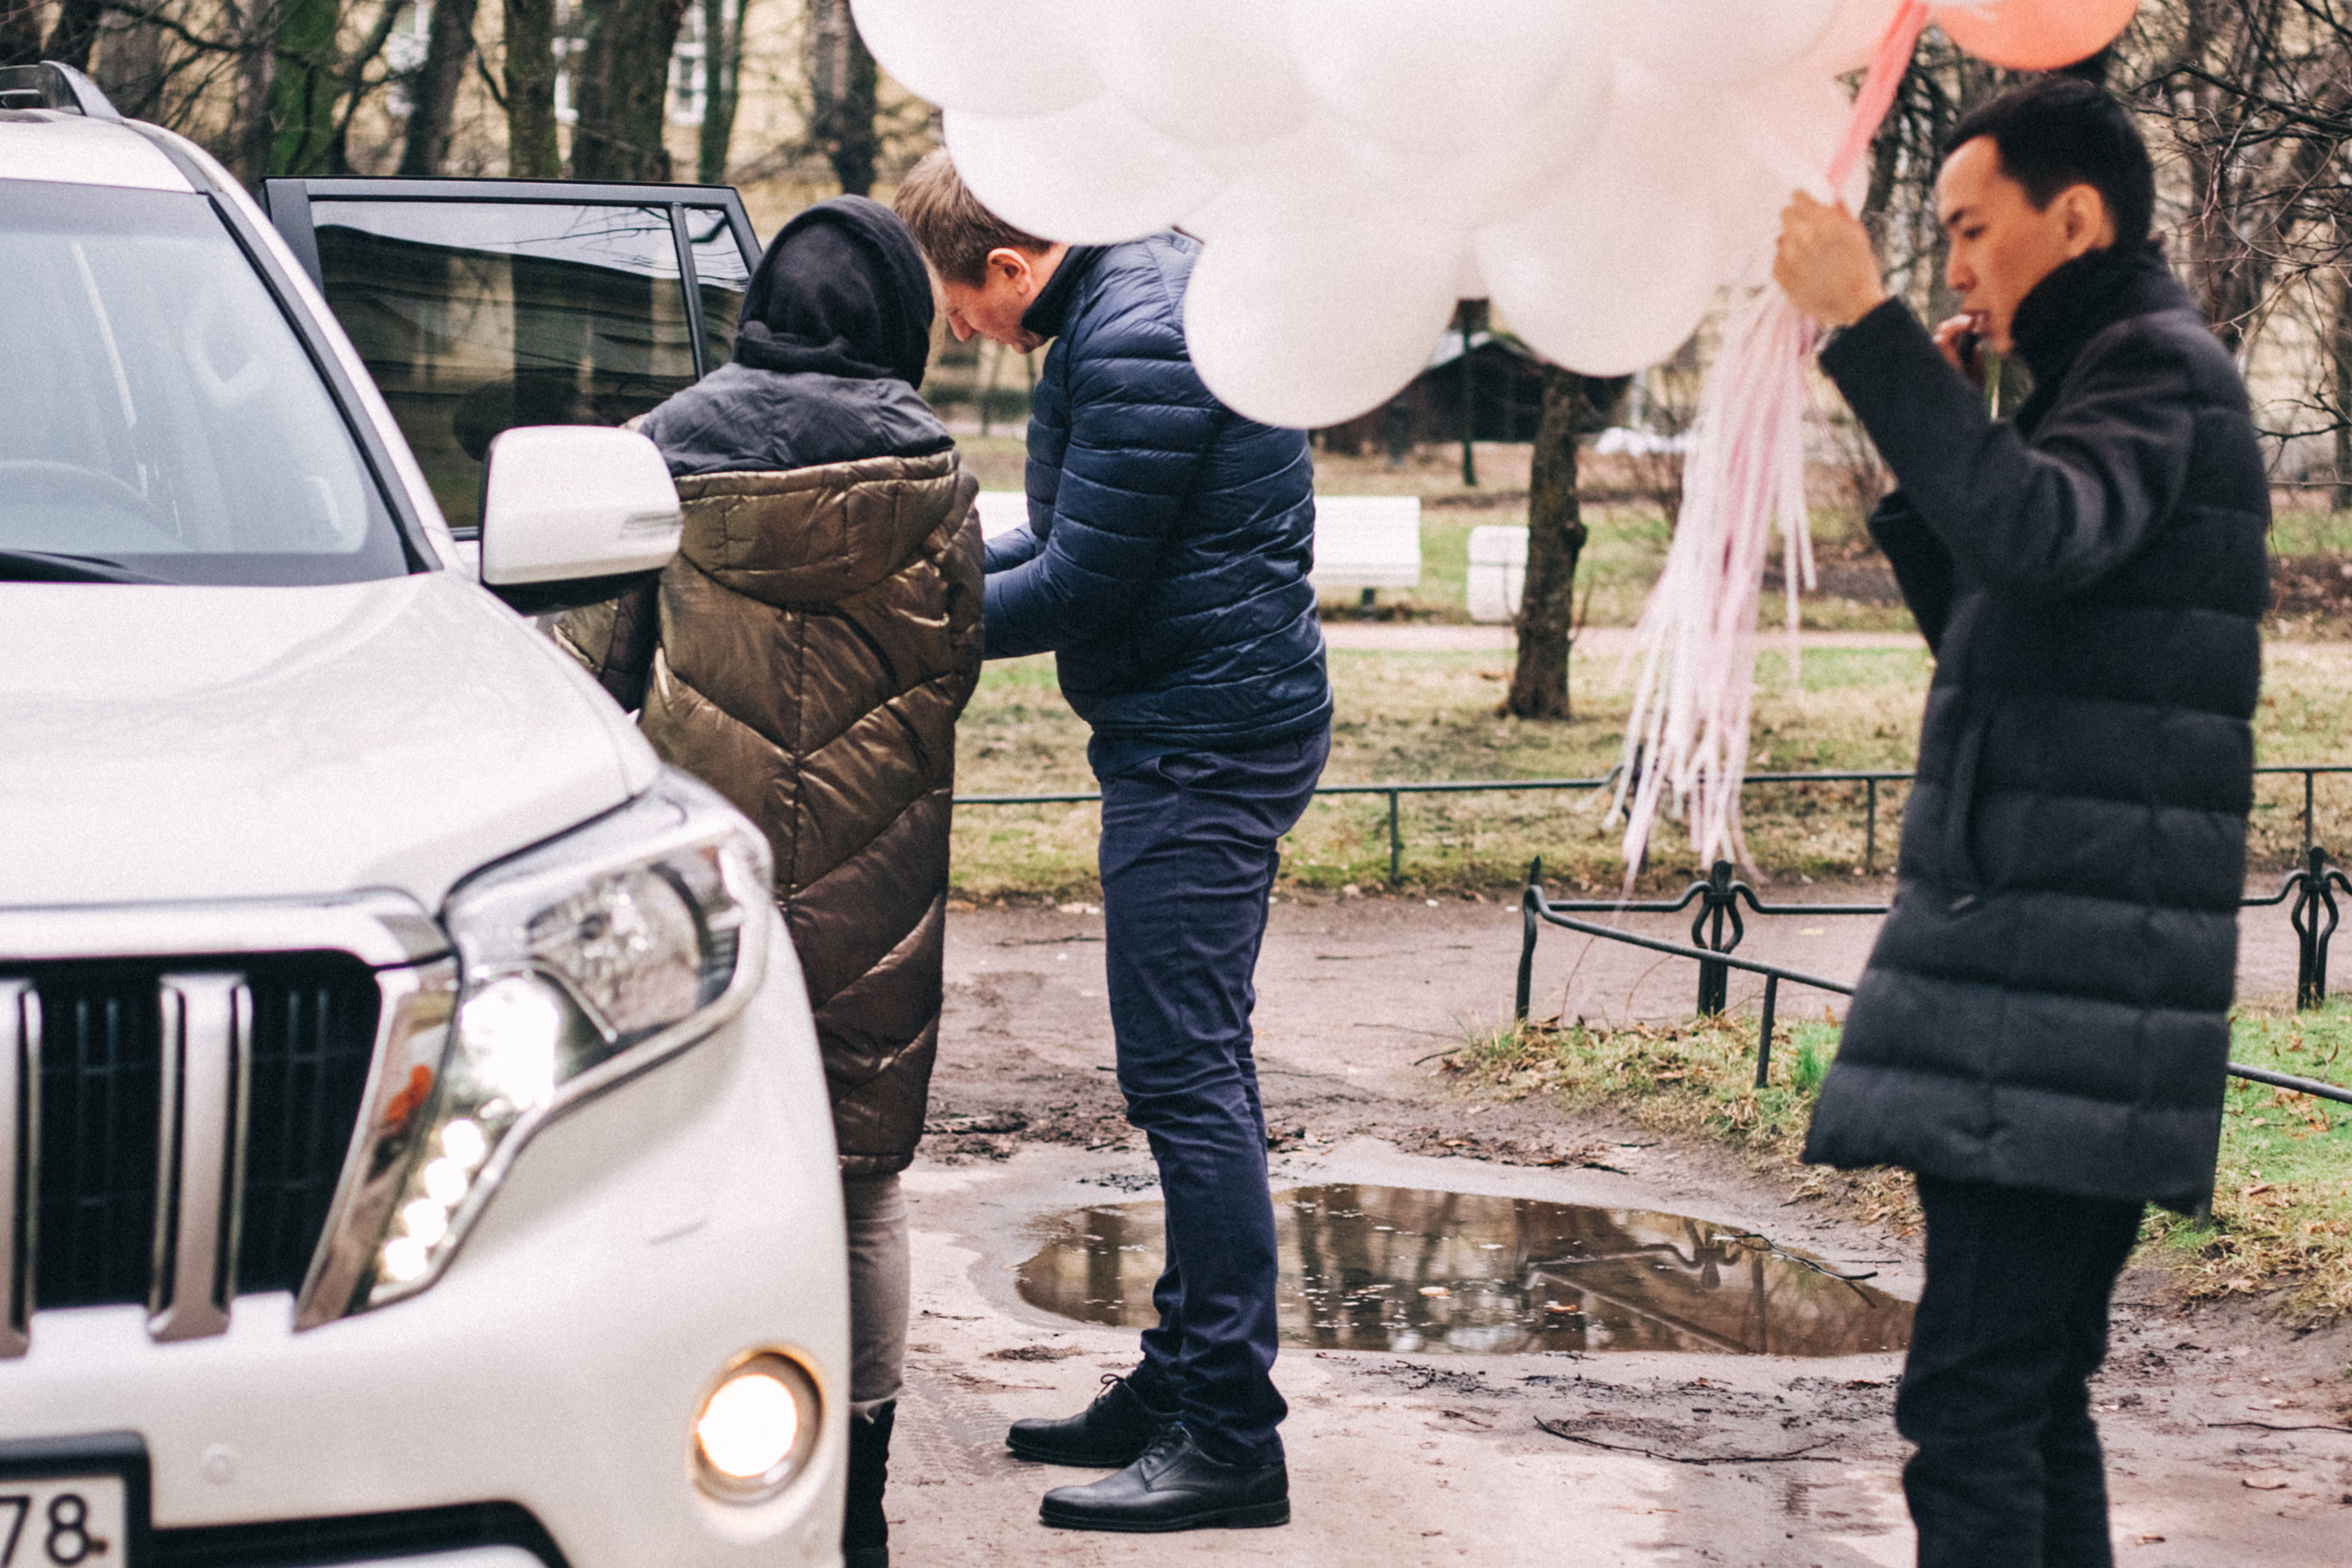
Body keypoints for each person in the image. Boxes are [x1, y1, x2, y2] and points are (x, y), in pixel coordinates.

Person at [1772, 78, 2267, 1567]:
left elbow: (2036, 538)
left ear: (2078, 217)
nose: (1956, 267)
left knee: (1977, 1407)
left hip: (2063, 988)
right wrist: (1948, 450)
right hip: (2059, 981)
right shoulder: (2105, 376)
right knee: (2027, 1401)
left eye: (1972, 230)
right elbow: (2019, 645)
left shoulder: (2156, 369)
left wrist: (1867, 333)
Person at [892, 151, 1331, 1534]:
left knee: (1186, 1082)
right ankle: (1182, 1377)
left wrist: (901, 620)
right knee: (1201, 1071)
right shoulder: (1129, 299)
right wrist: (930, 571)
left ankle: (1229, 1435)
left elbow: (1082, 584)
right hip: (1209, 720)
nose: (963, 331)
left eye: (960, 305)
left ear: (1010, 266)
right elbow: (1068, 538)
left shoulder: (1136, 333)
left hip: (1203, 747)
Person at [555, 196, 983, 1568]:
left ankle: (682, 1478)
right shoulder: (938, 477)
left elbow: (583, 671)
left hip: (696, 885)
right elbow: (956, 666)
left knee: (665, 1170)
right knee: (861, 1186)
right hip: (879, 876)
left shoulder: (654, 457)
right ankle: (855, 1512)